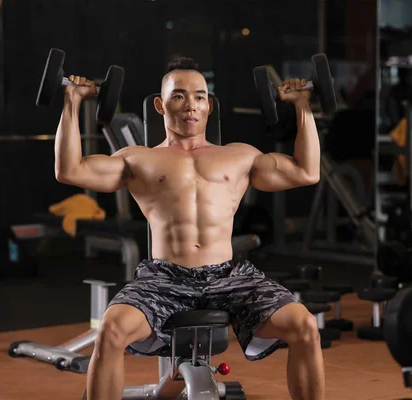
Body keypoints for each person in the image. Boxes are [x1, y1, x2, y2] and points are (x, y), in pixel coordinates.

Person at [54, 56, 325, 400]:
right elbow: (69, 170)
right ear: (160, 105)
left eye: (199, 96)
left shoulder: (239, 156)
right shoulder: (137, 158)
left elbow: (306, 171)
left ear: (209, 105)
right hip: (164, 278)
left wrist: (302, 106)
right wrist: (71, 101)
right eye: (179, 96)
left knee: (304, 326)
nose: (190, 105)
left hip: (230, 276)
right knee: (111, 329)